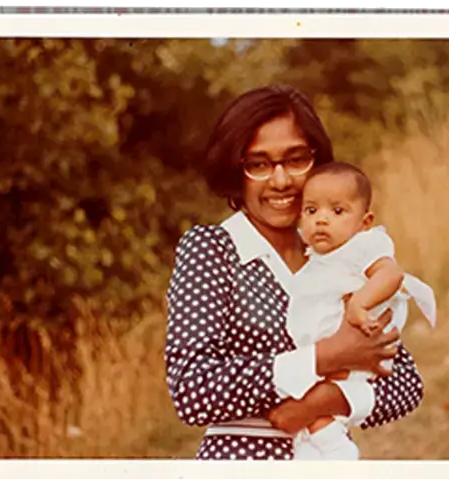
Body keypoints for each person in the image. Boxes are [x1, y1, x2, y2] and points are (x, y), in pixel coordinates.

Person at [164, 84, 425, 460]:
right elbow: (192, 391)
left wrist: (319, 403)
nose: (281, 181)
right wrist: (325, 356)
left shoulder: (339, 253)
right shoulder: (213, 248)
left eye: (296, 159)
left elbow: (405, 384)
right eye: (258, 164)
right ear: (235, 170)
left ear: (317, 162)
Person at [286, 161, 438, 460]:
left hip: (357, 346)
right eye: (311, 211)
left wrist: (359, 303)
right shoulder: (317, 259)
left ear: (364, 222)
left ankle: (336, 449)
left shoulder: (364, 245)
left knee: (312, 402)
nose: (321, 220)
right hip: (327, 354)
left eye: (337, 211)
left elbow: (391, 275)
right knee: (307, 415)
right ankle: (329, 447)